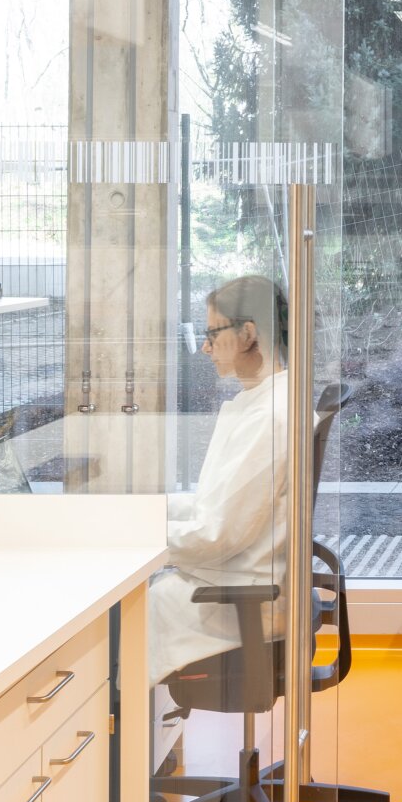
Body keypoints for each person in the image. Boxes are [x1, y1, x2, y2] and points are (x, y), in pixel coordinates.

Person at [148, 275, 292, 687]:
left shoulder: (269, 418)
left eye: (213, 334)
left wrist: (139, 533)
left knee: (112, 622)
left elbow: (216, 535)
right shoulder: (265, 401)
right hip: (233, 584)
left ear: (248, 334)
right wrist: (146, 511)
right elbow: (214, 505)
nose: (205, 347)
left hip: (236, 606)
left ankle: (124, 724)